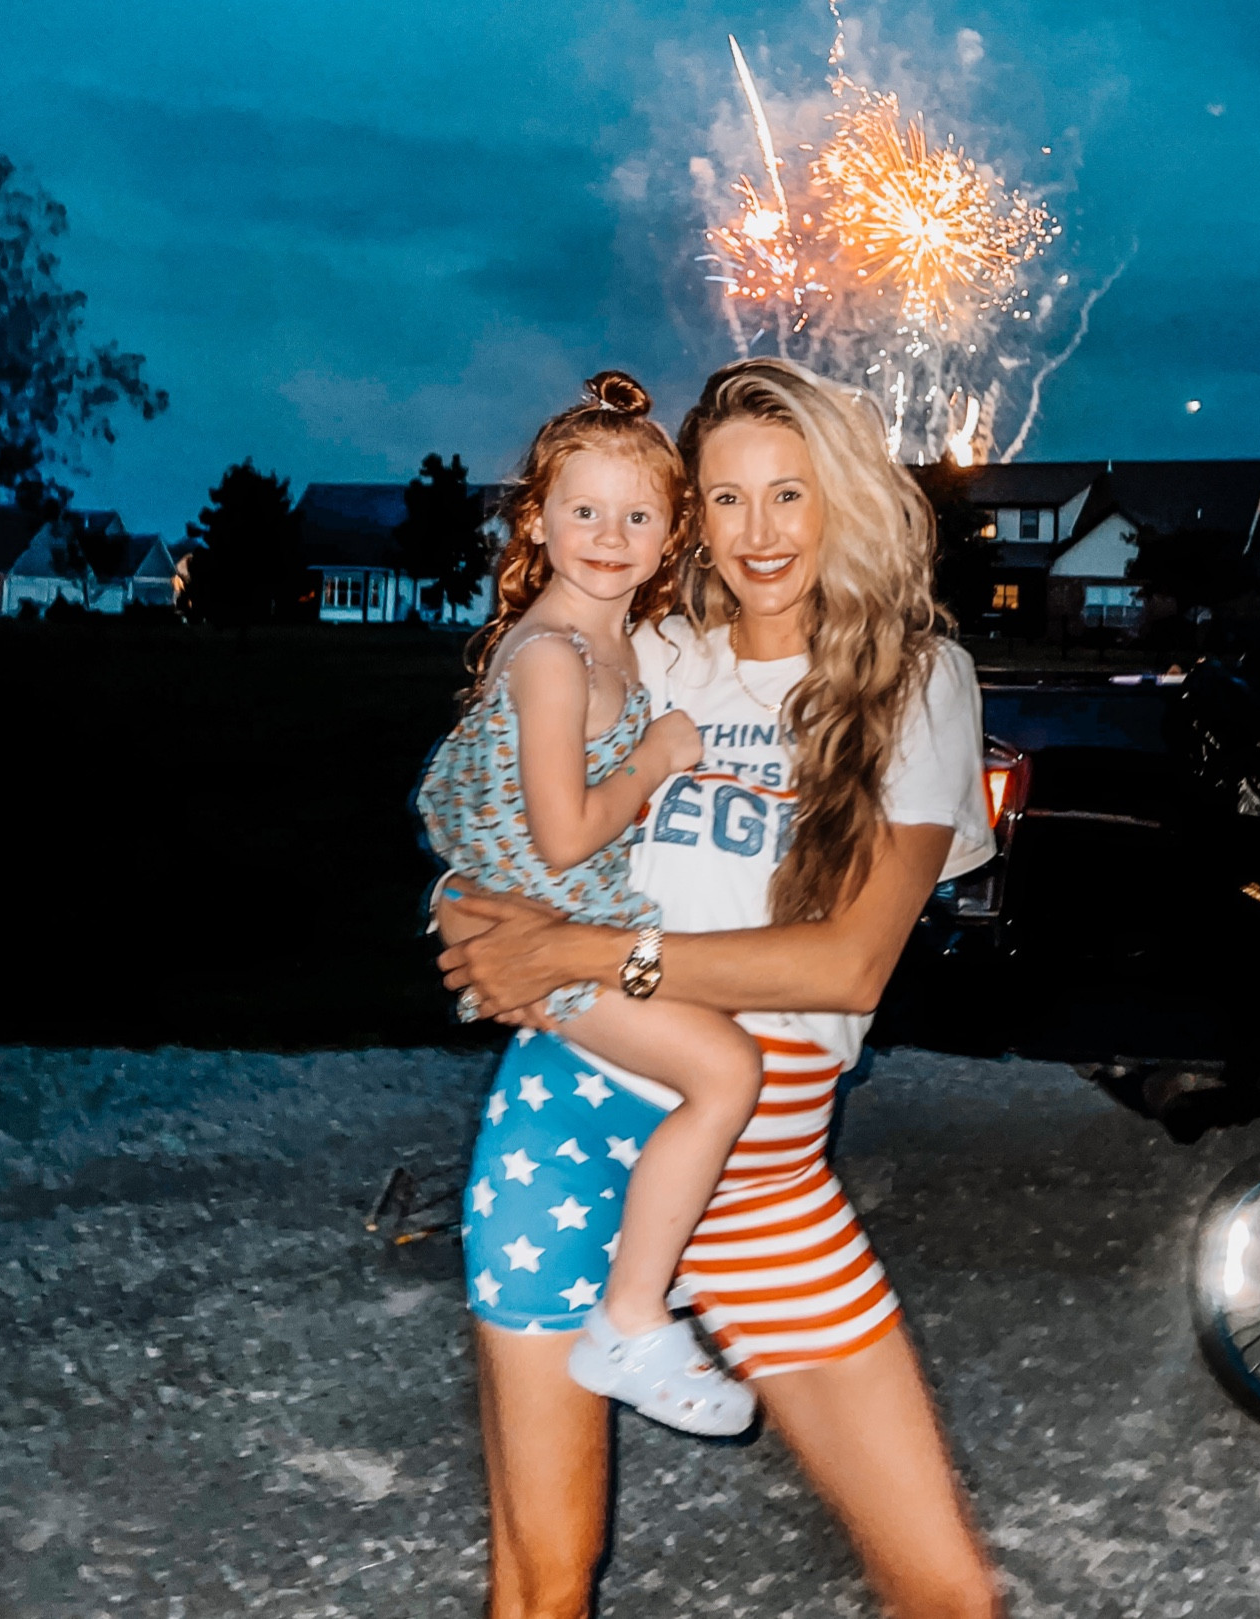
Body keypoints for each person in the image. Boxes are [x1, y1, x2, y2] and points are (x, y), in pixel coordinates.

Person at [440, 357, 1004, 1619]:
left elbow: (848, 960)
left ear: (842, 502)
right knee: (544, 1578)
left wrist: (580, 956)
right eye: (728, 498)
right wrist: (482, 931)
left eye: (790, 495)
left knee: (946, 1588)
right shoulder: (648, 656)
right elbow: (506, 834)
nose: (759, 534)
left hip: (764, 1176)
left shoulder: (915, 684)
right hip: (587, 1138)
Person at [417, 370, 763, 1436]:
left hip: (572, 919)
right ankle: (632, 1317)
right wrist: (659, 756)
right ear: (537, 517)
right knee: (725, 1069)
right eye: (582, 511)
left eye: (636, 514)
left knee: (711, 1046)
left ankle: (649, 1267)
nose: (608, 535)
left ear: (672, 531)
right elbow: (565, 831)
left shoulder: (614, 636)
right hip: (549, 932)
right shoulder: (555, 657)